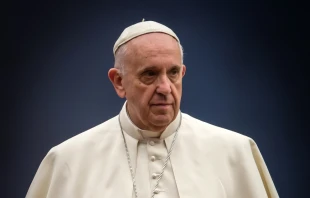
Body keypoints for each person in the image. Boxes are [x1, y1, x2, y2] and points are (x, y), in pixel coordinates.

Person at [26, 20, 279, 198]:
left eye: (173, 73)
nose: (165, 87)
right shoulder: (69, 161)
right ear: (119, 82)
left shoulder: (235, 152)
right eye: (149, 74)